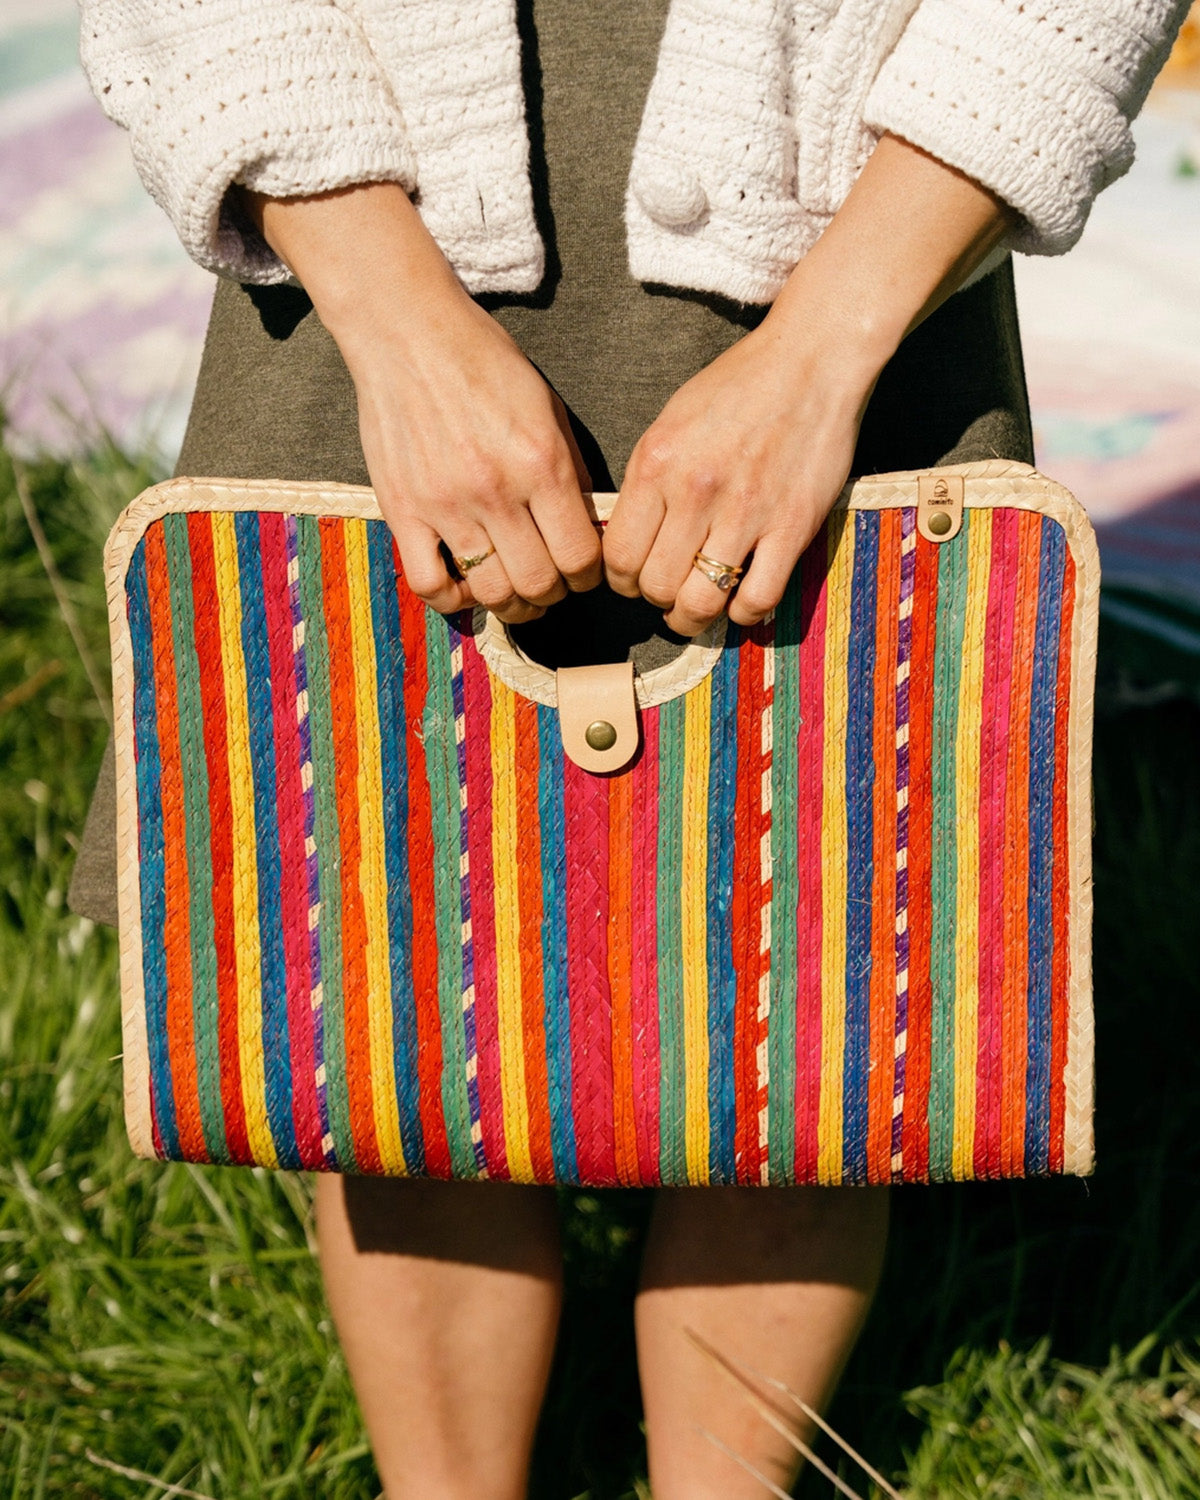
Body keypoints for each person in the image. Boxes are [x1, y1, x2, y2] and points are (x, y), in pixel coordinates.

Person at [71, 2, 1188, 1496]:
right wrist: (394, 321)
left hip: (857, 225)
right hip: (362, 205)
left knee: (816, 998)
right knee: (392, 973)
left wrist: (827, 345)